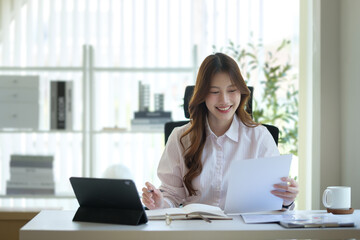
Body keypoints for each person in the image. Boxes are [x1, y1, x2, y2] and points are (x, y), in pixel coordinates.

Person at [142, 52, 299, 210]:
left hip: (243, 231)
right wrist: (160, 202)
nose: (224, 100)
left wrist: (287, 199)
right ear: (202, 95)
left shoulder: (259, 137)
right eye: (214, 92)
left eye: (232, 90)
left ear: (241, 92)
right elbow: (171, 196)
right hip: (196, 229)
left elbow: (274, 202)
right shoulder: (180, 138)